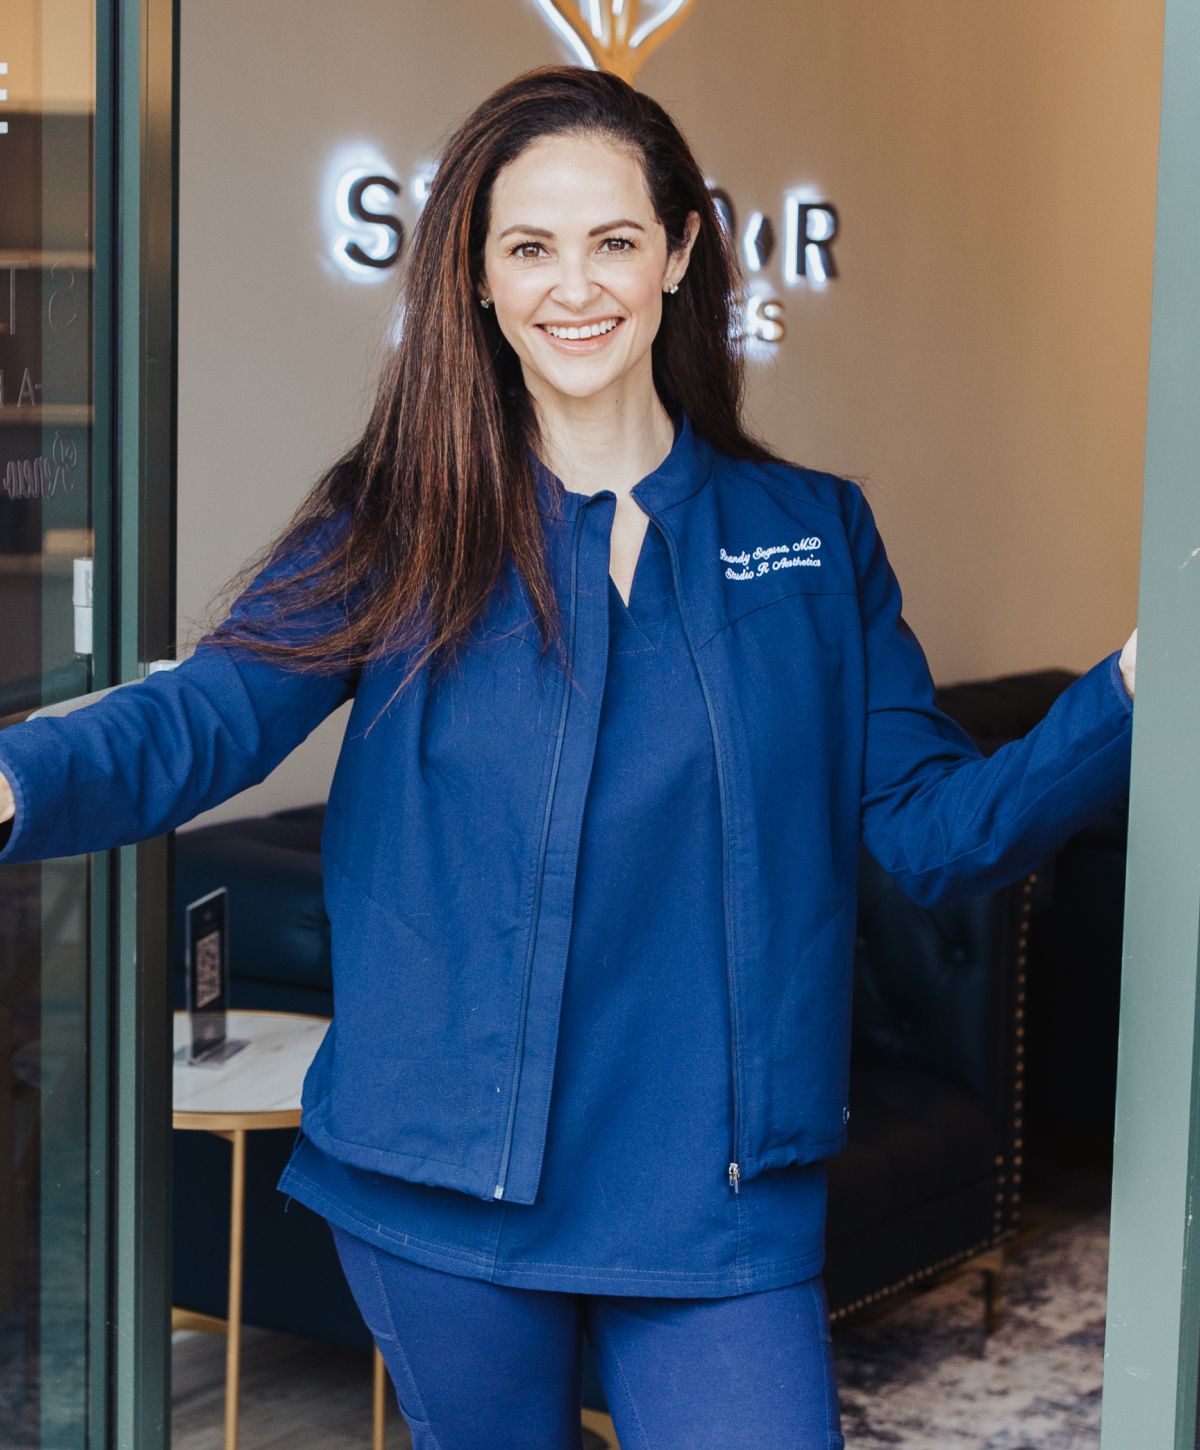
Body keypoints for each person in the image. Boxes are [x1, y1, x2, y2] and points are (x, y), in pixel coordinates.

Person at [0, 65, 1136, 1450]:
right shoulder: (398, 522)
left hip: (718, 1201)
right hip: (444, 1191)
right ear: (476, 279)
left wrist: (1137, 686)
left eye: (611, 240)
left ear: (679, 253)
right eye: (528, 247)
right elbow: (209, 714)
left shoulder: (810, 533)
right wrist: (18, 775)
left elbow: (939, 827)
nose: (573, 285)